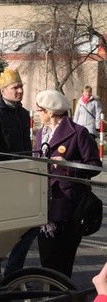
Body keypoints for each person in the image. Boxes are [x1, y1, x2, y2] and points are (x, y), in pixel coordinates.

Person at [35, 89, 101, 278]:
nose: (38, 114)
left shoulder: (78, 133)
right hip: (44, 207)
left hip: (68, 206)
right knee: (46, 263)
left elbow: (95, 166)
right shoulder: (41, 134)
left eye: (39, 110)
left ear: (49, 112)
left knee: (63, 265)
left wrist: (67, 167)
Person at [0, 67, 36, 280]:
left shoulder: (23, 114)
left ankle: (13, 275)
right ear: (3, 90)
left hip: (22, 182)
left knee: (29, 230)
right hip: (1, 184)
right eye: (15, 88)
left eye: (21, 87)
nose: (20, 91)